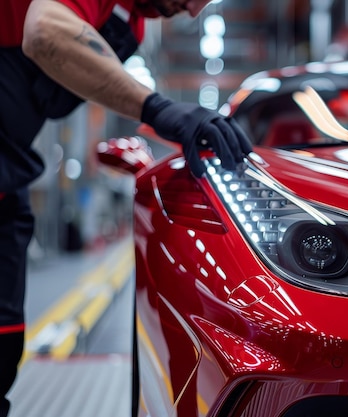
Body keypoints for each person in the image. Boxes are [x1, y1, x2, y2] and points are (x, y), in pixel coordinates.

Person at [0, 0, 253, 415]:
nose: (192, 12)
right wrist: (160, 109)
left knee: (4, 340)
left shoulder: (130, 30)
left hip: (9, 176)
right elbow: (44, 30)